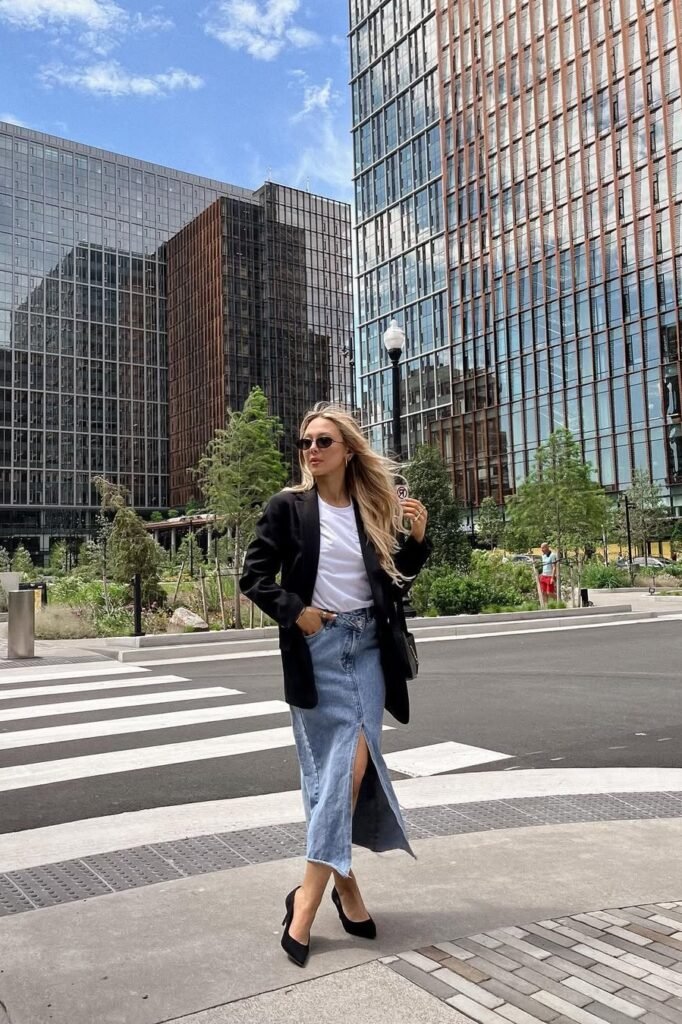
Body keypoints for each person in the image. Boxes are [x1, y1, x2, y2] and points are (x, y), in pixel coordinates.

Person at [240, 404, 430, 968]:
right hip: (317, 648)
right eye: (305, 442)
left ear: (348, 450)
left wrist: (417, 541)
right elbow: (253, 577)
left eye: (323, 441)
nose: (312, 450)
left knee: (347, 771)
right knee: (329, 778)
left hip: (368, 648)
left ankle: (304, 901)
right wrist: (296, 611)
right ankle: (344, 888)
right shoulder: (288, 507)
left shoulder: (372, 507)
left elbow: (392, 585)